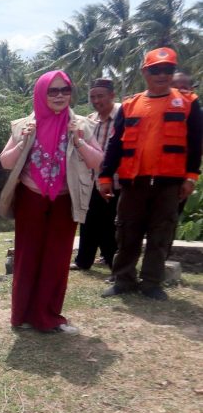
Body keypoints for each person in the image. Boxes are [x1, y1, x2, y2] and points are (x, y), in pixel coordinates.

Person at [0, 71, 104, 333]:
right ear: (41, 93)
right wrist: (23, 140)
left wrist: (78, 142)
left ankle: (47, 316)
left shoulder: (81, 124)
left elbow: (98, 161)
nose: (59, 96)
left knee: (57, 259)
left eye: (65, 90)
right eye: (53, 90)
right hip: (30, 198)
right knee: (27, 257)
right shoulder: (25, 125)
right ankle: (21, 316)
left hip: (65, 200)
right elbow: (5, 161)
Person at [99, 48, 202, 300]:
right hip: (134, 181)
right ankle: (123, 279)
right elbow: (115, 145)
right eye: (156, 69)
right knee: (127, 231)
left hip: (169, 183)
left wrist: (191, 177)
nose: (162, 74)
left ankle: (152, 283)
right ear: (145, 71)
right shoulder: (130, 105)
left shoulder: (189, 103)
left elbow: (196, 142)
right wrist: (104, 177)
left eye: (167, 69)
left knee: (161, 233)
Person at [73, 78, 121, 270]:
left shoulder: (123, 116)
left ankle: (113, 264)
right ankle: (83, 261)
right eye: (93, 97)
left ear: (112, 95)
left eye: (100, 96)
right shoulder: (90, 120)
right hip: (92, 180)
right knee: (88, 222)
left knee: (111, 224)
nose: (96, 100)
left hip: (115, 180)